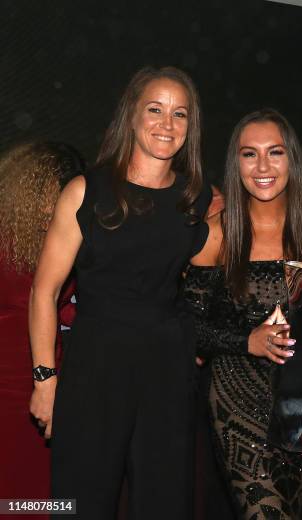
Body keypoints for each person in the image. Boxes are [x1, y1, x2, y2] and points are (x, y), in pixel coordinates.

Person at [29, 66, 210, 519]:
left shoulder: (201, 199)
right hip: (94, 371)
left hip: (167, 375)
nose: (167, 124)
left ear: (191, 128)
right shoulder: (85, 192)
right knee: (79, 503)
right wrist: (45, 379)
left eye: (180, 114)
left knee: (164, 503)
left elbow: (227, 275)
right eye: (155, 109)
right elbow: (44, 292)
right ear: (131, 115)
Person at [183, 108, 302, 519]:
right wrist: (247, 340)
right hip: (236, 399)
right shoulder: (214, 234)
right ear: (235, 164)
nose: (263, 167)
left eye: (275, 152)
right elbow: (188, 327)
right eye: (249, 154)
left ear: (292, 158)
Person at [0, 141, 84, 515]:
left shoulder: (58, 244)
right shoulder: (11, 247)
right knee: (24, 494)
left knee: (45, 496)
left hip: (46, 382)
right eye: (52, 193)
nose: (56, 206)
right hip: (18, 386)